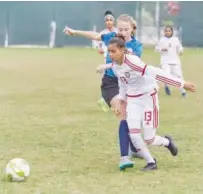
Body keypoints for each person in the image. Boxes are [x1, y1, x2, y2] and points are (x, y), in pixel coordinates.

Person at [96, 35, 196, 171]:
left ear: (122, 50)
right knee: (133, 132)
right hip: (133, 101)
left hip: (148, 98)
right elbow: (123, 84)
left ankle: (167, 142)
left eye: (113, 51)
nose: (111, 54)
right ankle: (151, 162)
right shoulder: (115, 67)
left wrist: (181, 84)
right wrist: (121, 101)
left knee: (149, 139)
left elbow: (156, 73)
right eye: (109, 51)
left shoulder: (133, 62)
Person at [63, 14, 143, 170]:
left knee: (133, 116)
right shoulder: (111, 37)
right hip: (111, 84)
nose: (122, 32)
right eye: (120, 29)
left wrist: (105, 65)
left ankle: (134, 148)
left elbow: (129, 62)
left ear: (132, 29)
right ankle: (124, 157)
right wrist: (75, 32)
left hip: (128, 83)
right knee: (124, 114)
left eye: (126, 29)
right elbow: (95, 35)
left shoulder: (137, 46)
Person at [155, 26, 186, 96]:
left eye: (169, 31)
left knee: (179, 76)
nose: (168, 32)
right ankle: (166, 86)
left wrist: (181, 51)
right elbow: (156, 49)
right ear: (164, 32)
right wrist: (161, 49)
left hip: (175, 61)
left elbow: (180, 48)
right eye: (166, 31)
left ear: (172, 32)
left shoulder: (175, 39)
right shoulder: (162, 40)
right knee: (166, 75)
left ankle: (183, 92)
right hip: (165, 61)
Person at [96, 10, 117, 112]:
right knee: (108, 79)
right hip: (107, 60)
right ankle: (105, 100)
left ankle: (108, 100)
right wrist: (99, 48)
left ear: (114, 21)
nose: (109, 22)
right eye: (107, 20)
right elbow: (97, 42)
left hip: (116, 59)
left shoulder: (118, 32)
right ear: (105, 22)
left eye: (110, 20)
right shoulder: (103, 33)